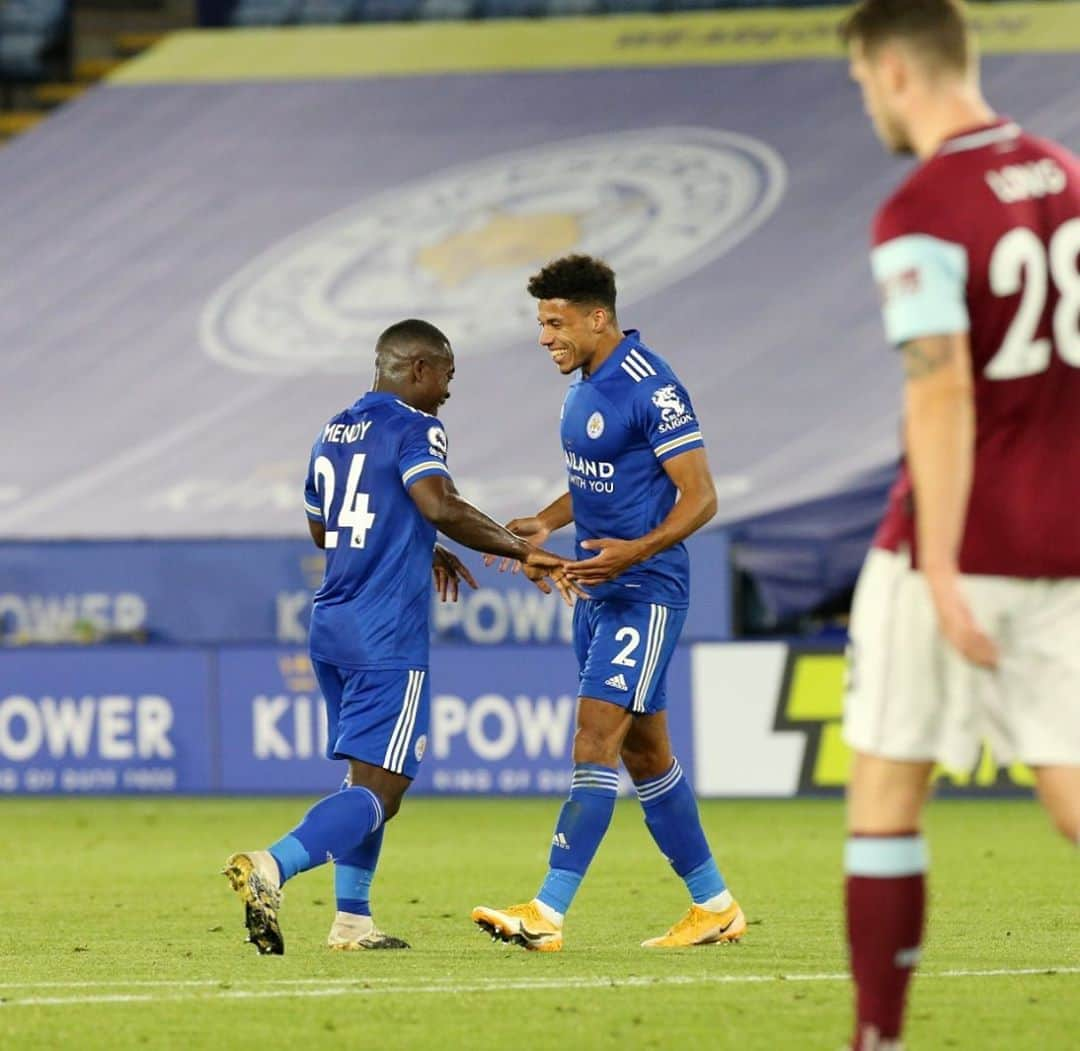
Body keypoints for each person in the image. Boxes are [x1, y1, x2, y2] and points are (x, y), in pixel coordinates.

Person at [840, 2, 1080, 1047]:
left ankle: (877, 1037)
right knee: (1074, 794)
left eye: (859, 82)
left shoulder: (922, 207)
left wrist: (938, 559)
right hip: (1067, 537)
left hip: (960, 536)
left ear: (894, 70)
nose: (866, 102)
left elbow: (939, 391)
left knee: (888, 786)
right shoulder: (1070, 180)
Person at [223, 318, 576, 955]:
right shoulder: (416, 427)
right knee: (383, 791)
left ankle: (352, 921)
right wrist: (524, 550)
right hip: (385, 634)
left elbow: (324, 532)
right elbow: (440, 502)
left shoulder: (333, 430)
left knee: (366, 779)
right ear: (418, 369)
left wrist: (419, 545)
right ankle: (272, 865)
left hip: (332, 624)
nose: (447, 392)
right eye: (446, 376)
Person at [471, 254, 746, 952]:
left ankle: (547, 912)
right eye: (540, 323)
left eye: (555, 322)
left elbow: (701, 496)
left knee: (594, 739)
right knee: (647, 756)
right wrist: (545, 520)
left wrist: (639, 549)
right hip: (598, 590)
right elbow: (599, 481)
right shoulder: (582, 387)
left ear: (599, 318)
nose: (544, 338)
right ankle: (714, 905)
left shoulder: (654, 387)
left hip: (645, 593)